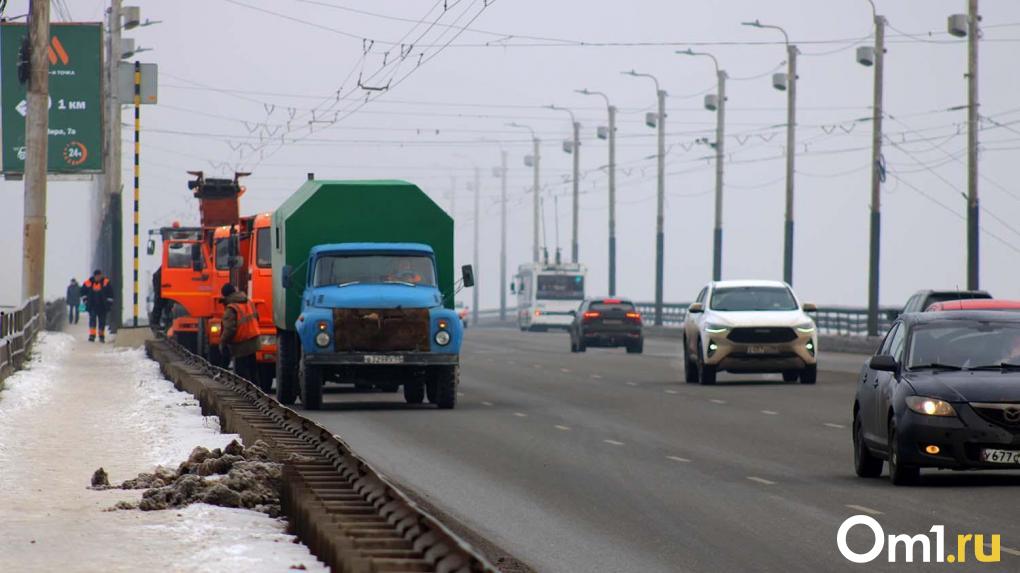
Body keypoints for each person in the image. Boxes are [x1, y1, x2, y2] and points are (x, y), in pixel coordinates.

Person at [218, 283, 261, 381]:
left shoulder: (231, 308)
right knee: (252, 370)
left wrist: (222, 342)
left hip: (241, 344)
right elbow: (257, 318)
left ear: (225, 295)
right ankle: (256, 393)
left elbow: (229, 329)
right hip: (253, 340)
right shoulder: (248, 302)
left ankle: (245, 394)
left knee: (242, 374)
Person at [81, 269, 113, 342]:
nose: (98, 277)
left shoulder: (106, 282)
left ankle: (101, 336)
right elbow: (82, 291)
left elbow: (110, 293)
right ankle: (92, 335)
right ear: (94, 276)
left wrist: (109, 304)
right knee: (92, 320)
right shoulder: (88, 282)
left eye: (99, 276)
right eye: (97, 276)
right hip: (92, 305)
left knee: (102, 322)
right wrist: (85, 301)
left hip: (103, 306)